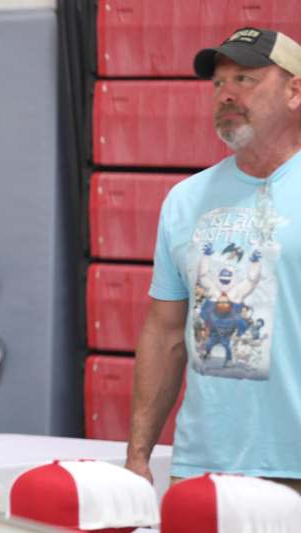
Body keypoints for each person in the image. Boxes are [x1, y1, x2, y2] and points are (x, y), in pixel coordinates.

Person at [126, 27, 301, 492]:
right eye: (219, 83)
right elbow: (164, 333)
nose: (226, 94)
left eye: (245, 79)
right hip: (200, 467)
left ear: (295, 91)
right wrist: (138, 457)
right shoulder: (185, 201)